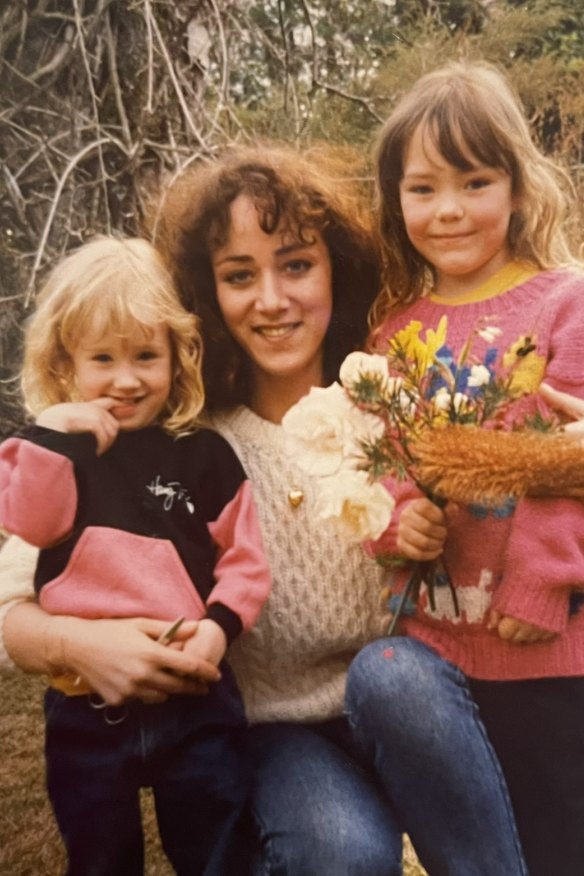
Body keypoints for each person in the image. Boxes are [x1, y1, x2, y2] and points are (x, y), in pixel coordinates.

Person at [0, 145, 526, 876]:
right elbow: (12, 607)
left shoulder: (394, 405)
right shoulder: (181, 448)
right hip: (275, 731)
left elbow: (511, 515)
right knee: (339, 851)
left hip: (410, 707)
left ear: (335, 270)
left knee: (393, 670)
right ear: (205, 296)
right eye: (239, 276)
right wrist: (79, 647)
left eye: (296, 265)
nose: (272, 299)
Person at [345, 60, 584, 876]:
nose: (447, 210)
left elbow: (569, 458)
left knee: (558, 845)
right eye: (423, 189)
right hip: (439, 648)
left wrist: (543, 580)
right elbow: (386, 464)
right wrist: (397, 521)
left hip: (551, 650)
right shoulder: (394, 335)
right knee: (478, 851)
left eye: (474, 182)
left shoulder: (565, 303)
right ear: (395, 200)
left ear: (517, 186)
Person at [0, 236, 272, 876]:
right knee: (100, 856)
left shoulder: (203, 456)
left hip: (195, 695)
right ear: (67, 364)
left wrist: (218, 629)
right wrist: (50, 437)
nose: (126, 379)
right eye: (103, 358)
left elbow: (246, 561)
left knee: (218, 850)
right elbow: (31, 524)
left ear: (178, 358)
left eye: (147, 355)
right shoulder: (52, 450)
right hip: (86, 701)